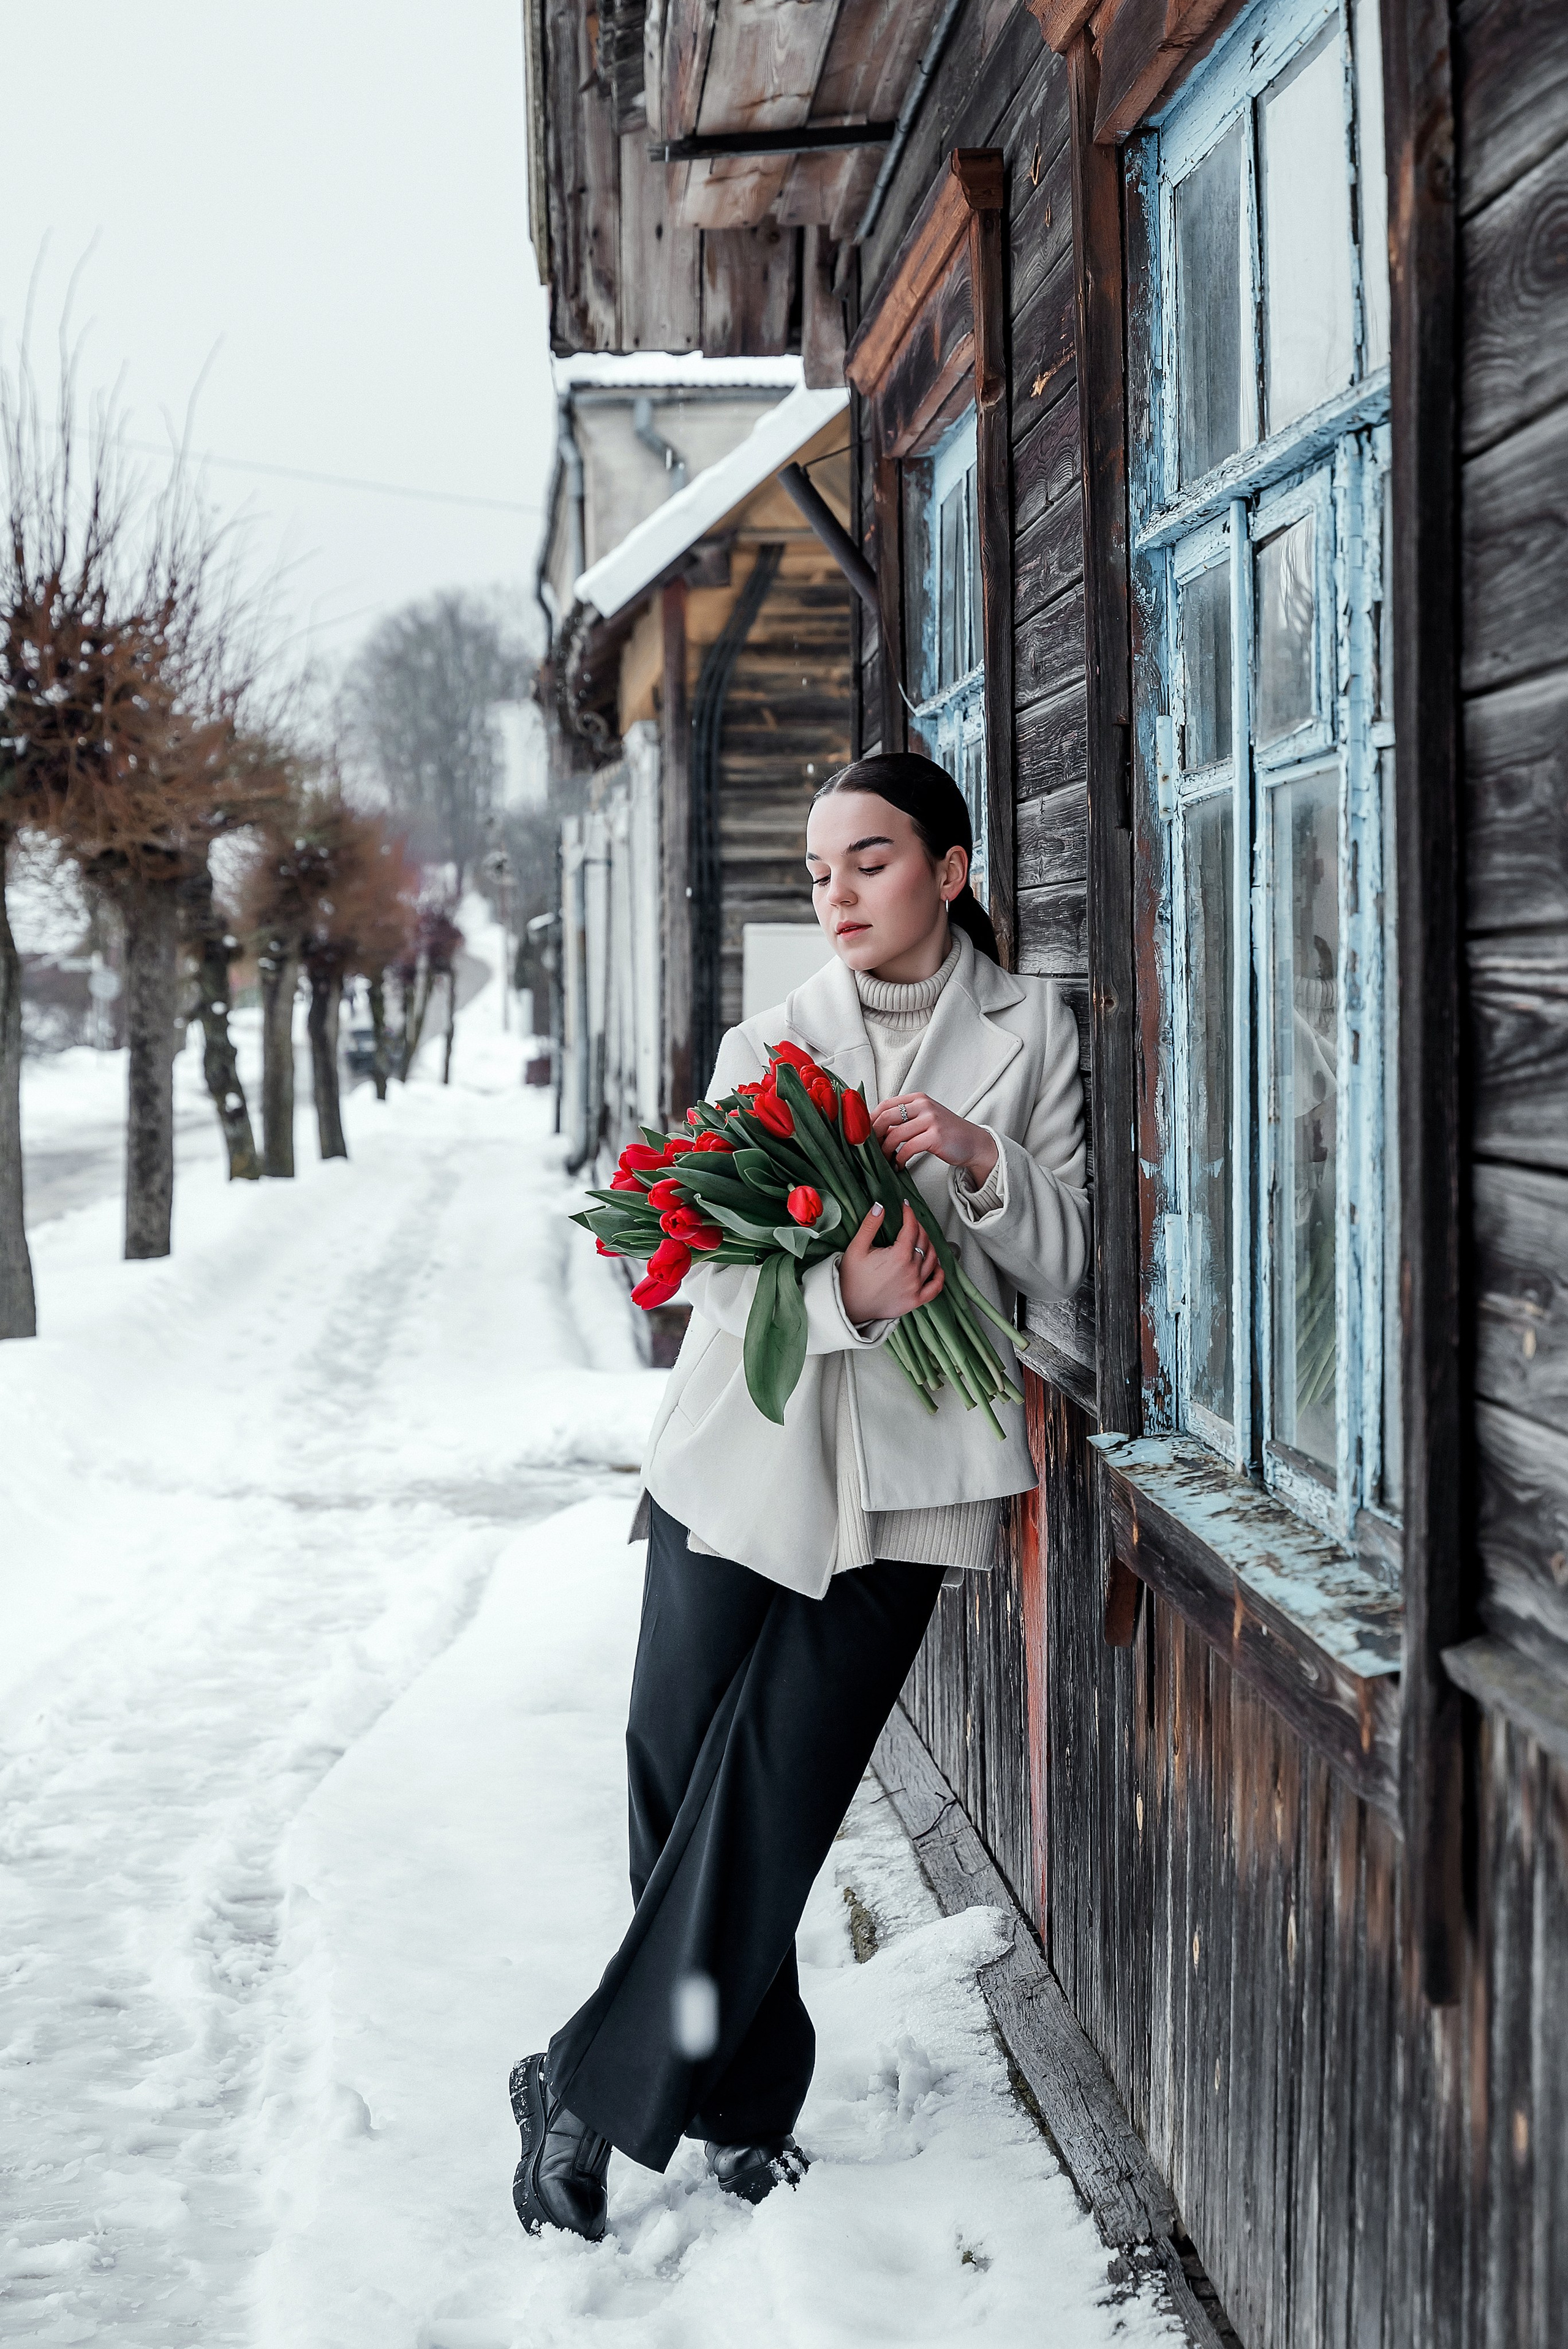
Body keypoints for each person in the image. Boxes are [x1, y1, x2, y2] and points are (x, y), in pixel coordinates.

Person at [510, 751, 1090, 2239]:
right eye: (819, 868)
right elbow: (699, 1265)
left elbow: (1075, 1260)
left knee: (776, 1790)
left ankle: (582, 2085)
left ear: (951, 871)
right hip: (741, 1452)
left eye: (871, 860)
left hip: (915, 1479)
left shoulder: (1032, 1032)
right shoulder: (765, 1038)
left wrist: (976, 1163)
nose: (835, 891)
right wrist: (837, 1286)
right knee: (674, 1767)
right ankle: (745, 2113)